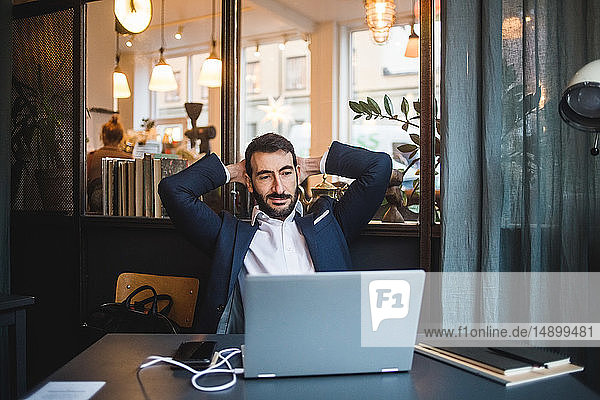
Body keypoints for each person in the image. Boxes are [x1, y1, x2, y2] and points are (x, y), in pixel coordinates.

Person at [158, 133, 391, 333]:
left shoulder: (329, 224)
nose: (278, 188)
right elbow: (174, 190)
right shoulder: (229, 235)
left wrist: (313, 165)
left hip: (329, 348)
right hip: (257, 352)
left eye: (286, 173)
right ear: (249, 183)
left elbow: (378, 167)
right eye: (265, 176)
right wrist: (232, 172)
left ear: (298, 175)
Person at [86, 115, 132, 212]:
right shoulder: (129, 159)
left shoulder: (91, 157)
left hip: (95, 211)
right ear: (121, 137)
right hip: (123, 211)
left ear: (102, 136)